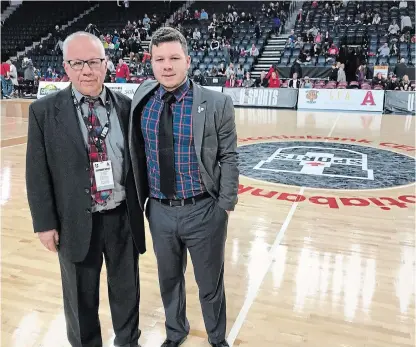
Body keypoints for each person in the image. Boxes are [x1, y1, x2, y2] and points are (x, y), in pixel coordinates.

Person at [25, 31, 145, 347]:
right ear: (66, 67)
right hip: (75, 221)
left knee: (127, 292)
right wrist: (45, 224)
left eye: (93, 62)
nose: (86, 71)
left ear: (106, 64)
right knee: (80, 300)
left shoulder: (126, 107)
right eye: (77, 63)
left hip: (122, 219)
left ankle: (128, 342)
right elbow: (36, 173)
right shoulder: (43, 112)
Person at [128, 27, 239, 347]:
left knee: (209, 284)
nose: (166, 65)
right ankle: (175, 333)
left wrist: (224, 206)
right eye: (159, 59)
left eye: (174, 58)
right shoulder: (142, 97)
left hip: (204, 210)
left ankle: (217, 338)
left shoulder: (216, 103)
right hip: (160, 211)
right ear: (150, 63)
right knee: (169, 280)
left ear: (188, 61)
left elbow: (229, 157)